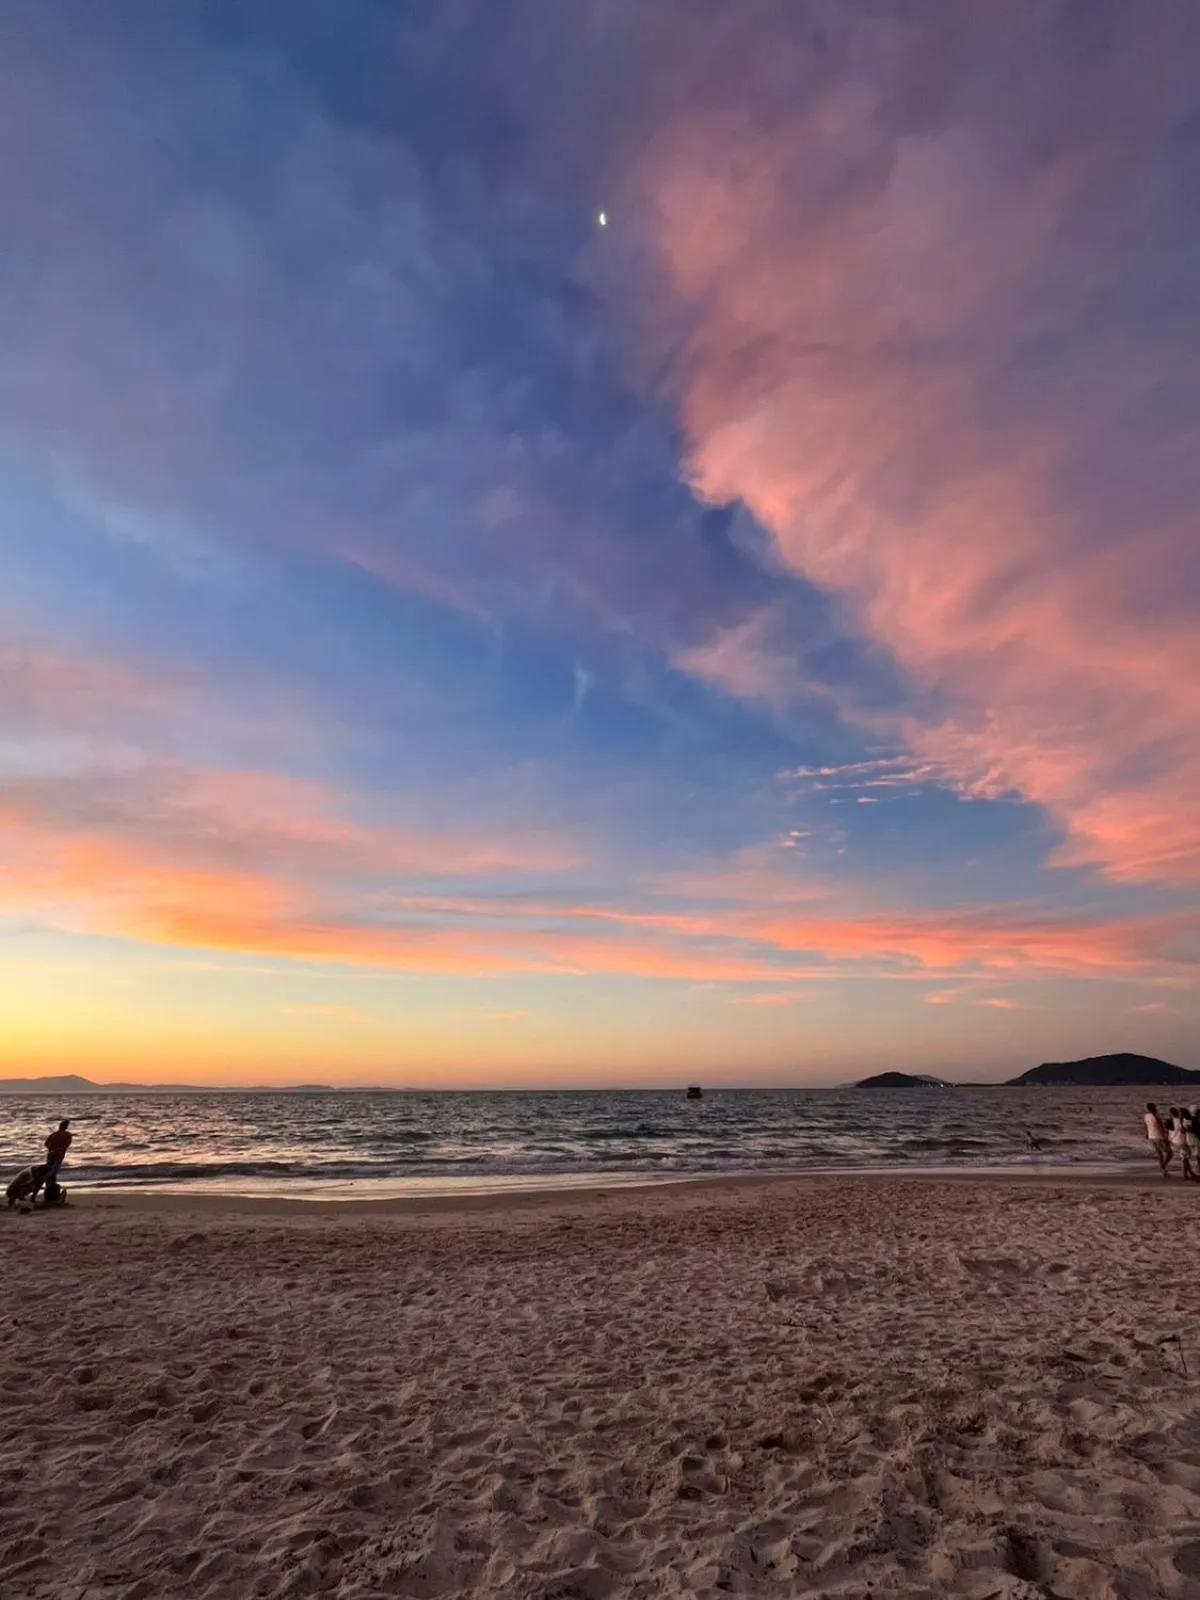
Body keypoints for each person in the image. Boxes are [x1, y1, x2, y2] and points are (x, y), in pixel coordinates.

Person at [1145, 1103, 1171, 1175]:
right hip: (1159, 1136)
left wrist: (1147, 1133)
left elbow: (1146, 1125)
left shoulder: (1146, 1116)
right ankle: (1163, 1166)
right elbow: (1162, 1127)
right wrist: (1165, 1136)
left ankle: (1163, 1168)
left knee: (1159, 1153)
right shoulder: (1156, 1116)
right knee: (1169, 1152)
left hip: (1151, 1136)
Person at [1168, 1106, 1193, 1180]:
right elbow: (1183, 1130)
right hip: (1182, 1141)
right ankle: (1185, 1175)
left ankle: (1190, 1173)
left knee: (1184, 1158)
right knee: (1185, 1158)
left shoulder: (1170, 1121)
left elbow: (1168, 1132)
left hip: (1174, 1141)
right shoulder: (1181, 1121)